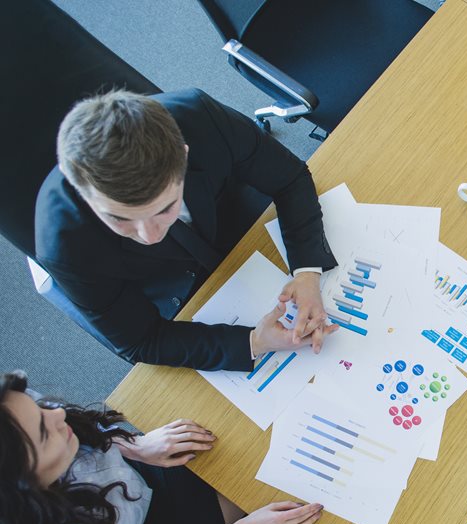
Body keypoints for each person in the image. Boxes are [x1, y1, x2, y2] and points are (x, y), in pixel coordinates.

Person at [35, 88, 339, 371]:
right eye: (119, 219)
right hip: (173, 286)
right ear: (85, 196)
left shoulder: (201, 117)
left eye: (165, 208)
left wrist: (307, 271)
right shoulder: (63, 244)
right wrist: (254, 342)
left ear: (183, 155)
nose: (150, 236)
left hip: (234, 221)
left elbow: (289, 178)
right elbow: (141, 340)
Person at [0, 371, 323, 524]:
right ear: (23, 492)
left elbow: (68, 424)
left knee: (239, 427)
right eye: (45, 433)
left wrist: (130, 445)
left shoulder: (13, 415)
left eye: (39, 406)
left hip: (132, 473)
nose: (58, 414)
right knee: (278, 484)